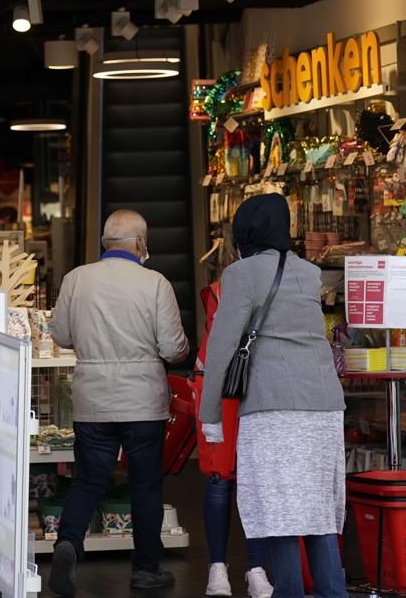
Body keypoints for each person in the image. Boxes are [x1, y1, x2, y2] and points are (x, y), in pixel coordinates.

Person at [198, 193, 347, 598]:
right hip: (324, 406)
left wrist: (209, 416)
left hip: (273, 408)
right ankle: (334, 591)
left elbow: (220, 349)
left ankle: (290, 592)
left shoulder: (242, 274)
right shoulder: (308, 272)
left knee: (277, 510)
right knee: (317, 512)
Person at [47, 209, 190, 596]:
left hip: (92, 398)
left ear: (105, 242)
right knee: (145, 487)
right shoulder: (155, 283)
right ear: (141, 243)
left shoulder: (76, 279)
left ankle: (68, 543)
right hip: (143, 402)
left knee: (88, 480)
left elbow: (59, 334)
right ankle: (145, 570)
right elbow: (173, 349)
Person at [192, 280, 271, 598]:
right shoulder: (277, 282)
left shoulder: (218, 289)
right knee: (248, 479)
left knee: (221, 478)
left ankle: (222, 569)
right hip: (252, 381)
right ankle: (250, 569)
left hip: (218, 380)